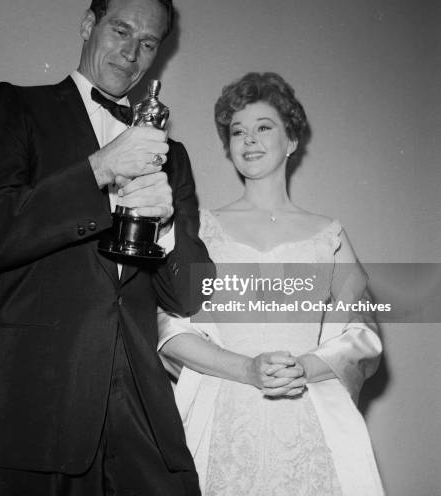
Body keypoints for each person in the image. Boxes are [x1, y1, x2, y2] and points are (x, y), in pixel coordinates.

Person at [0, 0, 212, 495]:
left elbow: (189, 295)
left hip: (141, 414)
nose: (131, 52)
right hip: (31, 407)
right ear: (88, 24)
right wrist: (96, 169)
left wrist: (163, 230)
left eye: (148, 43)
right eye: (120, 30)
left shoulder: (173, 155)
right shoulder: (16, 107)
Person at [158, 72, 384, 496]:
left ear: (292, 141)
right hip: (220, 416)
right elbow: (170, 329)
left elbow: (362, 331)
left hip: (306, 416)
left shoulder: (328, 234)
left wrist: (304, 367)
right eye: (237, 131)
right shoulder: (200, 230)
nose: (249, 140)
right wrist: (246, 369)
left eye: (264, 127)